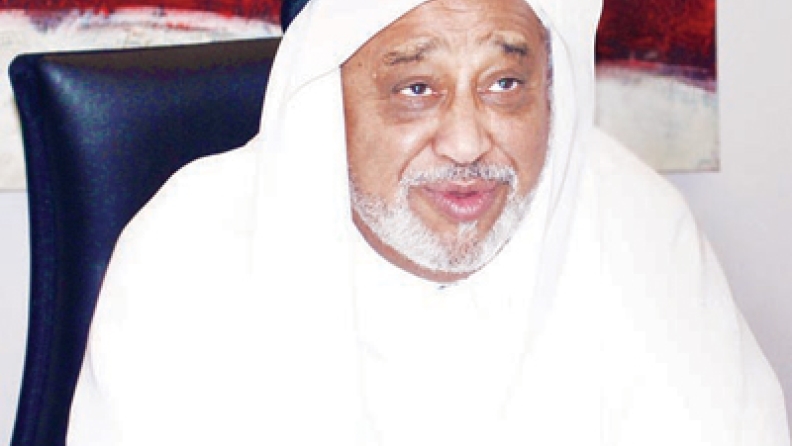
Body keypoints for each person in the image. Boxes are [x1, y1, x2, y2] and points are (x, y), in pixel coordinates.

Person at [67, 0, 789, 444]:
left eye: (504, 84)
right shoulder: (187, 253)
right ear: (329, 102)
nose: (468, 142)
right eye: (416, 88)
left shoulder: (633, 219)